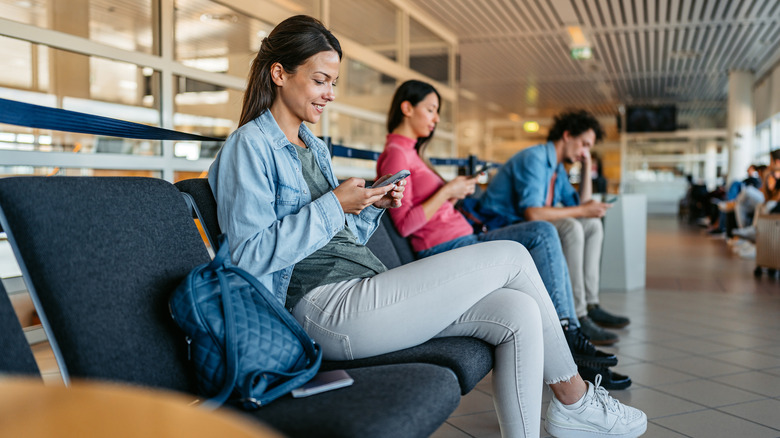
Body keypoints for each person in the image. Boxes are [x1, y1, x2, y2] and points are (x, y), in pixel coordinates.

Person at [207, 15, 646, 438]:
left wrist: (367, 207)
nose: (330, 94)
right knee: (514, 255)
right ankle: (574, 399)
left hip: (364, 291)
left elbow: (339, 239)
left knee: (519, 311)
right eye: (320, 80)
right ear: (279, 73)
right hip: (320, 309)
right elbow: (248, 258)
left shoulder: (312, 146)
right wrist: (333, 205)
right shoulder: (248, 147)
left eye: (334, 83)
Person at [376, 79, 629, 388]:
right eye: (430, 109)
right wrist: (447, 192)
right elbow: (404, 224)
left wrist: (451, 194)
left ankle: (570, 334)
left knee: (545, 235)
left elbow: (424, 210)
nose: (436, 118)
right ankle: (569, 332)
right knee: (541, 232)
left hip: (461, 238)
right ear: (407, 108)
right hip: (445, 248)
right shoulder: (396, 155)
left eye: (437, 111)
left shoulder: (411, 154)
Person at [478, 110, 631, 336]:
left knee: (592, 225)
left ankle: (590, 304)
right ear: (567, 135)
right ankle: (577, 316)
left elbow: (582, 204)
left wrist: (588, 165)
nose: (585, 152)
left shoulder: (558, 168)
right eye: (584, 145)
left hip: (527, 225)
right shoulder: (536, 159)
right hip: (498, 227)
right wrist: (582, 209)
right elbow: (532, 213)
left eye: (589, 148)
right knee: (571, 227)